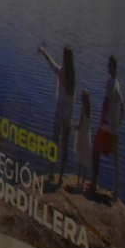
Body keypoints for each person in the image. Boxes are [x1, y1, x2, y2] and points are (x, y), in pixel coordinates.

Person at [39, 45, 76, 182]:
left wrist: (43, 51)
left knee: (55, 142)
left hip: (59, 113)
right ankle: (61, 175)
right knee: (65, 146)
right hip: (68, 115)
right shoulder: (73, 75)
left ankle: (51, 171)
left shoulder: (62, 71)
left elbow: (52, 65)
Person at [91, 56, 124, 198]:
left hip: (106, 125)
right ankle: (116, 192)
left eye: (109, 66)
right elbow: (123, 109)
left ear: (113, 67)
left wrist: (101, 119)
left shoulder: (110, 82)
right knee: (116, 158)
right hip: (114, 127)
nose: (107, 68)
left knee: (95, 150)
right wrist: (118, 124)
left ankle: (94, 183)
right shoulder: (118, 84)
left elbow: (106, 101)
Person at [74, 90, 92, 186]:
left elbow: (79, 125)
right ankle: (83, 181)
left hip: (81, 135)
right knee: (85, 159)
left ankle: (78, 181)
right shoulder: (89, 111)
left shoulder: (83, 110)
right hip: (87, 136)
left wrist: (73, 125)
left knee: (80, 158)